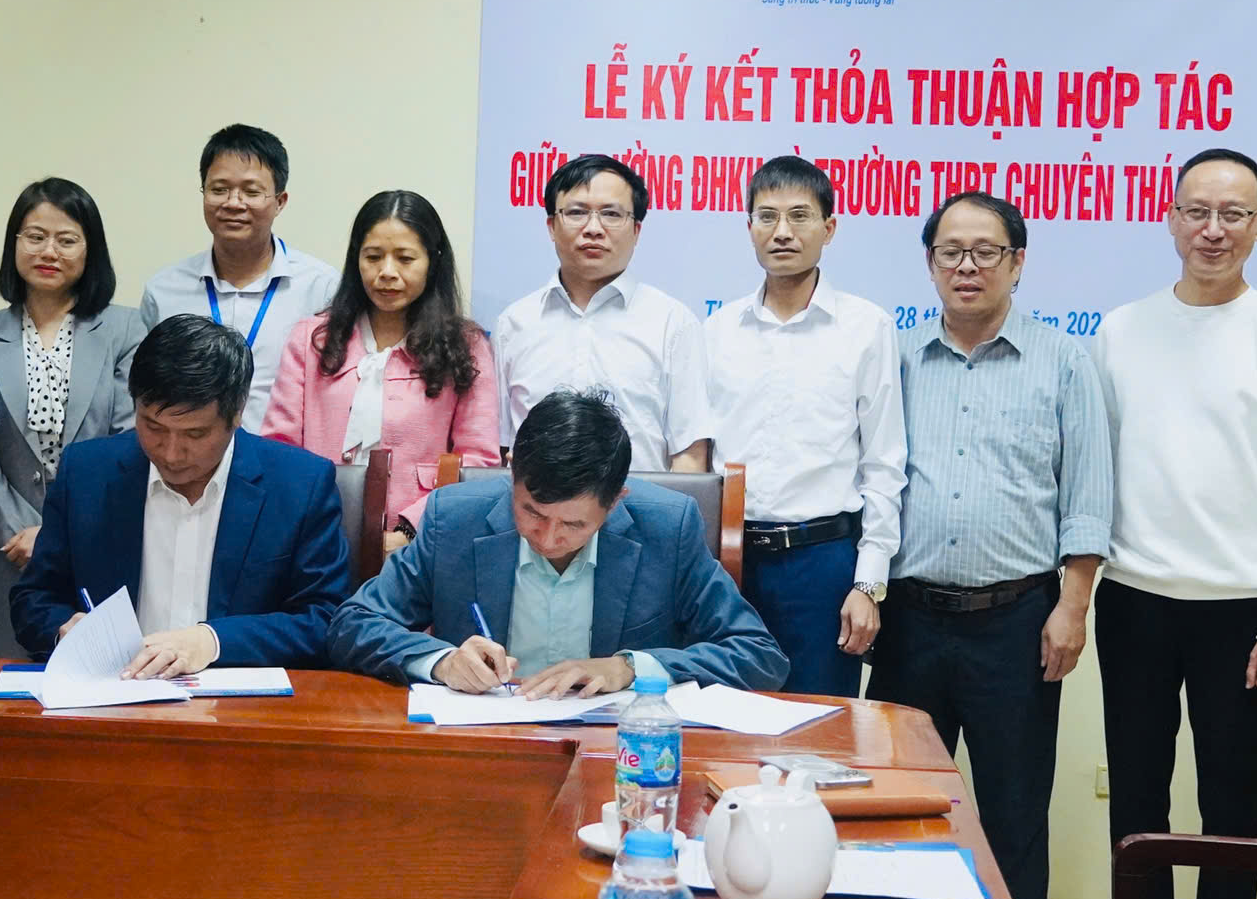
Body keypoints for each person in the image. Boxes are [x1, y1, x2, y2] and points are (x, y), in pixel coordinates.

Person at [1095, 147, 1257, 899]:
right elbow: (1094, 474)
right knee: (1138, 794)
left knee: (1231, 799)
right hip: (1134, 598)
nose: (1213, 229)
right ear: (1170, 219)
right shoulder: (1120, 332)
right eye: (1197, 211)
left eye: (1234, 214)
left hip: (1241, 611)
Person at [873, 192, 1110, 899]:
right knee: (900, 803)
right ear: (930, 262)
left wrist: (1072, 606)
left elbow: (1088, 496)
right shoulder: (896, 359)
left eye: (985, 252)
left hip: (1017, 623)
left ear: (1018, 262)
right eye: (951, 252)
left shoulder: (1064, 361)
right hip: (910, 620)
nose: (967, 267)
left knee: (1015, 811)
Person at [327, 389, 788, 694]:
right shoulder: (455, 519)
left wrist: (629, 668)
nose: (548, 538)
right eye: (531, 512)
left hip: (616, 752)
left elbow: (758, 654)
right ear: (512, 473)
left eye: (574, 524)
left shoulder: (667, 528)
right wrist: (441, 662)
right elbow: (353, 624)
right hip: (486, 744)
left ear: (615, 501)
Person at [13, 314, 352, 671]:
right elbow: (34, 598)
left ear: (237, 413)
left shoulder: (300, 485)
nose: (171, 454)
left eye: (195, 434)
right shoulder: (86, 473)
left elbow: (325, 618)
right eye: (153, 427)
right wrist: (63, 630)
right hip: (113, 688)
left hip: (237, 695)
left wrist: (212, 641)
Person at [701, 155, 904, 698]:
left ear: (828, 228)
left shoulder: (866, 328)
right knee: (725, 717)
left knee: (820, 722)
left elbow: (884, 464)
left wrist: (868, 584)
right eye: (767, 217)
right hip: (730, 560)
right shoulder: (717, 331)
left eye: (799, 216)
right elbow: (699, 458)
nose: (782, 232)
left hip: (823, 563)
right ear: (749, 227)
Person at [0, 178, 145, 660]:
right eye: (35, 236)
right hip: (7, 547)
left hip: (98, 534)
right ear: (14, 244)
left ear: (91, 250)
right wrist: (17, 530)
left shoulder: (126, 329)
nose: (49, 251)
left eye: (67, 239)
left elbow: (129, 437)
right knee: (3, 683)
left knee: (102, 675)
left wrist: (58, 534)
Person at [262, 188, 499, 549]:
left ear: (432, 262)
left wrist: (409, 534)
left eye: (405, 259)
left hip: (420, 547)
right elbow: (279, 449)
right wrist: (308, 529)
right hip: (314, 539)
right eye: (373, 257)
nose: (387, 273)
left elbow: (476, 464)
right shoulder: (312, 339)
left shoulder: (467, 346)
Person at [493, 154, 709, 471]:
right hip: (534, 503)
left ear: (636, 230)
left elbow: (689, 455)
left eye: (611, 214)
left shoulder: (673, 323)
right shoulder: (513, 324)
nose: (593, 229)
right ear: (551, 226)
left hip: (641, 501)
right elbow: (499, 449)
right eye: (577, 213)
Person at [137, 123, 338, 428]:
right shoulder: (164, 292)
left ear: (280, 202)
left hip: (284, 454)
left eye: (251, 191)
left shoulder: (321, 289)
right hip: (188, 454)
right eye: (219, 189)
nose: (233, 203)